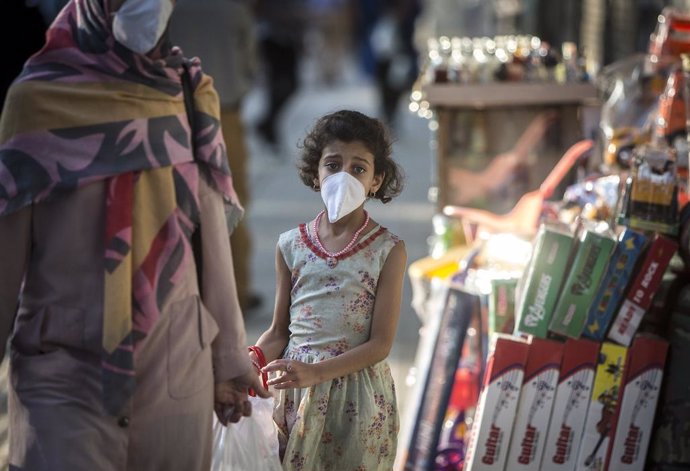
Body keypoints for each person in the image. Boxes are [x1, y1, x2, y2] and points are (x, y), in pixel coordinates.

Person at [0, 1, 269, 470]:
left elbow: (211, 245)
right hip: (64, 375)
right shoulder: (37, 101)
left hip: (175, 367)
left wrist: (228, 359)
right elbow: (5, 262)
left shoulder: (188, 92)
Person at [249, 110, 407, 469]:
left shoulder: (388, 250)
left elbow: (380, 344)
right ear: (315, 174)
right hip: (295, 393)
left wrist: (318, 373)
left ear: (376, 181)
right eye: (333, 165)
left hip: (357, 400)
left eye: (358, 169)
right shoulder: (290, 245)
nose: (343, 178)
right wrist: (255, 358)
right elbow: (278, 330)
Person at [169, 0, 263, 312]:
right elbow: (250, 61)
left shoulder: (163, 7)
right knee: (229, 204)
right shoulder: (234, 7)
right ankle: (235, 293)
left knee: (173, 207)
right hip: (224, 113)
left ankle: (184, 294)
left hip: (168, 116)